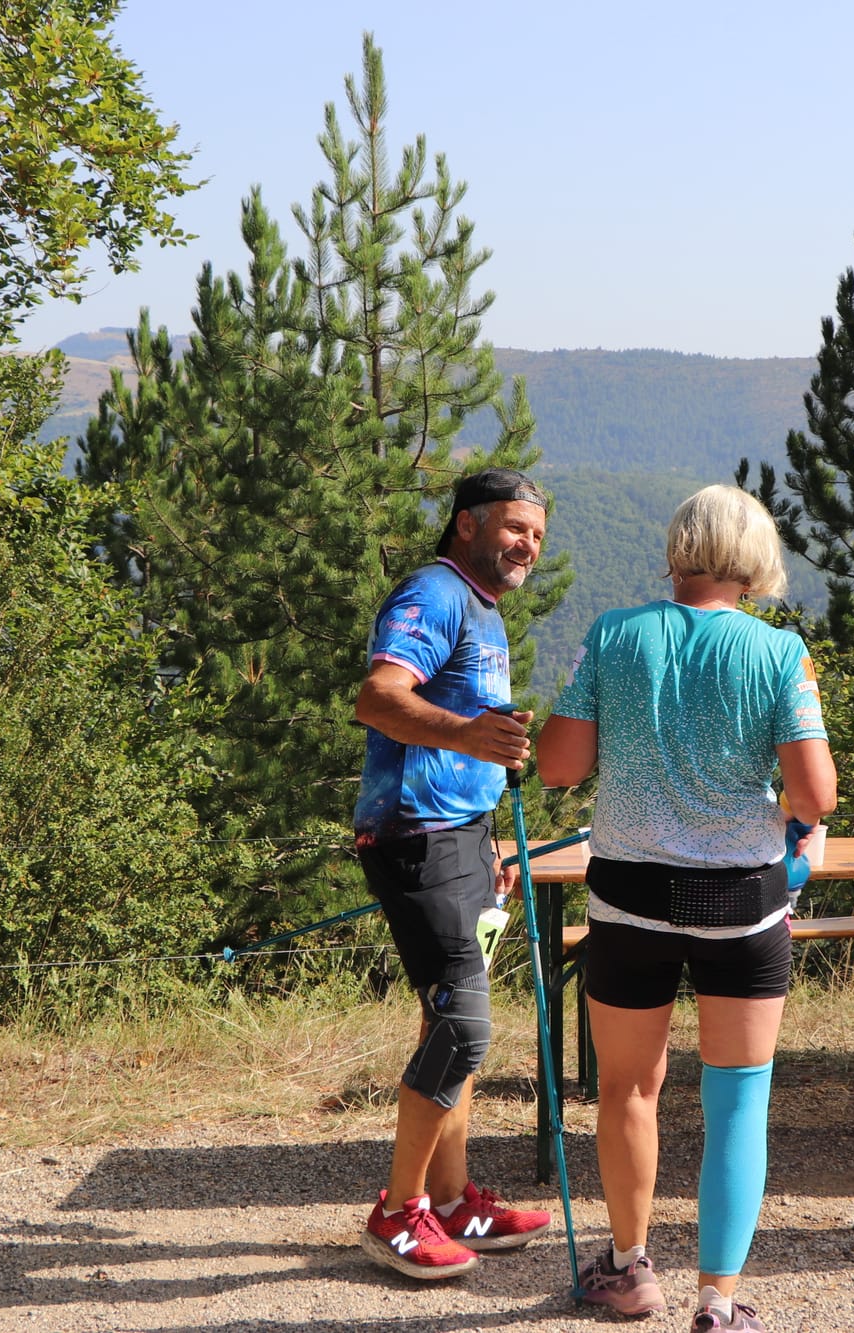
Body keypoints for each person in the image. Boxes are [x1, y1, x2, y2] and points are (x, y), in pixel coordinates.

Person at [538, 485, 837, 1333]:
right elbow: (817, 792)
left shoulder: (615, 634)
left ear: (678, 548)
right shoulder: (779, 654)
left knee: (628, 1089)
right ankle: (718, 1302)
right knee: (738, 1098)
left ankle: (631, 1270)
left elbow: (560, 767)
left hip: (628, 895)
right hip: (741, 899)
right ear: (756, 560)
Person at [352, 468, 554, 1280]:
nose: (527, 545)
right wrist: (472, 737)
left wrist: (493, 839)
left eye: (537, 535)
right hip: (413, 838)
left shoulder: (484, 610)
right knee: (465, 1025)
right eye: (513, 527)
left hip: (462, 837)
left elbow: (474, 740)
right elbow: (377, 698)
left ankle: (453, 1196)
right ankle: (397, 1214)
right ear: (466, 524)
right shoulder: (434, 593)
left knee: (451, 1028)